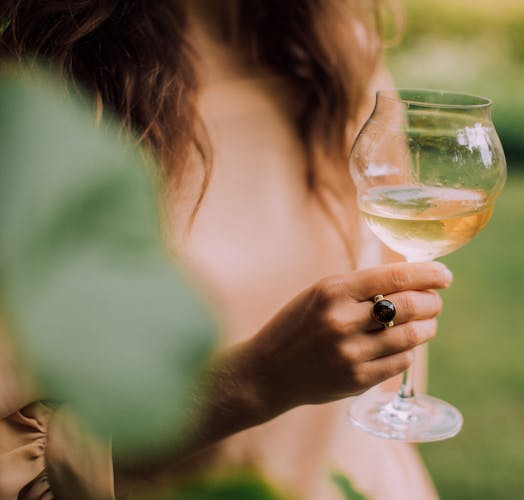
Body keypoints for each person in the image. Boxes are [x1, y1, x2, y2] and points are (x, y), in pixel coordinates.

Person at [0, 1, 448, 498]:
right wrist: (259, 381)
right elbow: (16, 453)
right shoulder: (45, 92)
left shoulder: (341, 47)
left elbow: (389, 269)